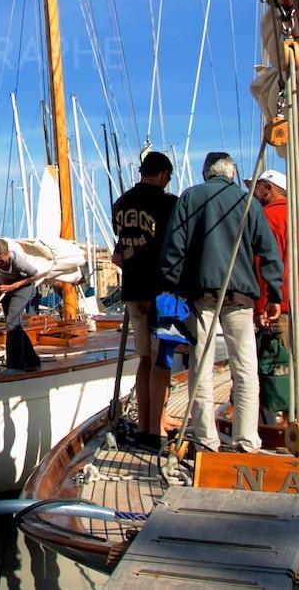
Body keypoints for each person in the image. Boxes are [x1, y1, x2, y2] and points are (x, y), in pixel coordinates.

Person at [160, 151, 283, 453]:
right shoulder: (247, 202)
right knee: (245, 369)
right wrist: (274, 295)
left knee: (200, 367)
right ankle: (247, 440)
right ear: (231, 174)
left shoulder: (189, 198)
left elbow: (174, 248)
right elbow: (268, 252)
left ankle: (205, 439)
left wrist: (171, 286)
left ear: (205, 174)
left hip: (201, 296)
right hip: (240, 296)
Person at [111, 151, 177, 444]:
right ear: (163, 175)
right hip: (158, 290)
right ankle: (155, 430)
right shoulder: (167, 204)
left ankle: (142, 427)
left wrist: (133, 262)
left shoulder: (121, 203)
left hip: (132, 289)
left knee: (144, 358)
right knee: (161, 361)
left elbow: (119, 253)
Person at [248, 169, 299, 423]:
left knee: (291, 371)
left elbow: (261, 266)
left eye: (255, 186)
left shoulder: (267, 218)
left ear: (268, 189)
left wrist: (260, 307)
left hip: (282, 307)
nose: (252, 192)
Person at [0, 237, 45, 373]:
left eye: (2, 261)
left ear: (8, 254)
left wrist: (13, 286)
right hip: (5, 289)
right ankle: (32, 361)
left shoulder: (16, 260)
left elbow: (34, 275)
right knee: (15, 325)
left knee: (12, 320)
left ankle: (16, 365)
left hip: (22, 287)